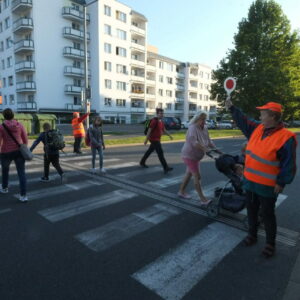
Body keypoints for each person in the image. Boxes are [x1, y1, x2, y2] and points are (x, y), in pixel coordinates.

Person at [226, 99, 297, 257]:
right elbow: (244, 120)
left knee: (267, 214)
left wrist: (281, 182)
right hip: (250, 181)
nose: (260, 115)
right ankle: (252, 235)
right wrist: (232, 108)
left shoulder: (286, 137)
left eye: (263, 113)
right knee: (251, 210)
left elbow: (288, 163)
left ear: (272, 116)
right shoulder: (258, 128)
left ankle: (270, 244)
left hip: (267, 185)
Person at [178, 112, 219, 205]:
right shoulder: (192, 127)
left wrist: (217, 150)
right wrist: (205, 149)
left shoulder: (204, 128)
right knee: (197, 176)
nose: (204, 121)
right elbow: (194, 142)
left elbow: (208, 140)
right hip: (189, 155)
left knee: (189, 174)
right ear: (197, 119)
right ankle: (203, 199)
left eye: (205, 119)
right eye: (202, 119)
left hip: (196, 156)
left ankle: (181, 192)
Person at [0, 108, 28, 202]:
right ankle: (23, 196)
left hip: (6, 152)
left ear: (4, 116)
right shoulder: (19, 125)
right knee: (21, 173)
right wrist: (24, 147)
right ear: (13, 115)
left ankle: (4, 188)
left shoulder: (1, 126)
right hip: (19, 151)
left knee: (5, 171)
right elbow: (25, 138)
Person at [140, 108, 173, 174]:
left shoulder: (161, 122)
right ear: (157, 114)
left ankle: (142, 162)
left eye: (162, 113)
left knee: (149, 151)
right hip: (153, 140)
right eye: (160, 113)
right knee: (160, 153)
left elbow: (164, 130)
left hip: (157, 139)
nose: (162, 114)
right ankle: (165, 167)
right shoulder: (154, 121)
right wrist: (146, 139)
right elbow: (149, 130)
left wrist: (169, 135)